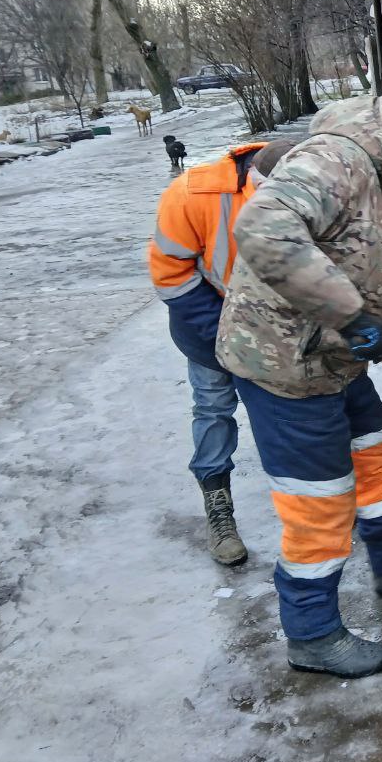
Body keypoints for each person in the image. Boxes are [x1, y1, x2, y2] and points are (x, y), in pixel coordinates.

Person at [217, 78, 382, 679]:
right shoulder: (337, 161)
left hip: (338, 356)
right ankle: (312, 634)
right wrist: (349, 313)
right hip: (285, 360)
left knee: (379, 454)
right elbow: (262, 228)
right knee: (320, 500)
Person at [148, 137, 299, 566]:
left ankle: (317, 507)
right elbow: (170, 276)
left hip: (282, 333)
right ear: (256, 181)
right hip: (208, 328)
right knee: (214, 408)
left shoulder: (318, 187)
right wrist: (230, 335)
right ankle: (218, 506)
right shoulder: (192, 194)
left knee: (292, 414)